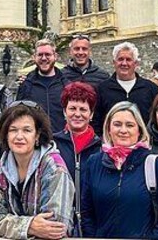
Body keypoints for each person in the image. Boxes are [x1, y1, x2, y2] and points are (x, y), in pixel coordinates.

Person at [80, 101, 158, 239]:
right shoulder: (94, 163)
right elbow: (87, 214)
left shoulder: (155, 165)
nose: (123, 130)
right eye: (117, 124)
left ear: (139, 130)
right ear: (108, 128)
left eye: (130, 125)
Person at [0, 101, 74, 240]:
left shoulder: (55, 169)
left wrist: (9, 226)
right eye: (13, 130)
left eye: (27, 130)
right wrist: (29, 226)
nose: (19, 136)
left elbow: (55, 228)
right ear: (5, 135)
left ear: (37, 135)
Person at [53, 82, 101, 237]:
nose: (77, 114)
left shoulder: (102, 148)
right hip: (61, 225)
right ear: (64, 112)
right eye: (72, 108)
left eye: (83, 109)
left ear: (91, 114)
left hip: (94, 224)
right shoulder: (53, 146)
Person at [93, 42, 158, 135]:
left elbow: (156, 120)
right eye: (120, 59)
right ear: (114, 62)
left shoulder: (151, 89)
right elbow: (96, 122)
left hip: (145, 146)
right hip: (112, 146)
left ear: (136, 63)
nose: (124, 63)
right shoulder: (102, 89)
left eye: (128, 59)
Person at [16, 39, 67, 134]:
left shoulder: (66, 85)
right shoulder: (26, 85)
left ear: (55, 56)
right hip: (35, 141)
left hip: (62, 140)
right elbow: (19, 115)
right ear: (34, 57)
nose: (44, 58)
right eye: (40, 55)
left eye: (47, 54)